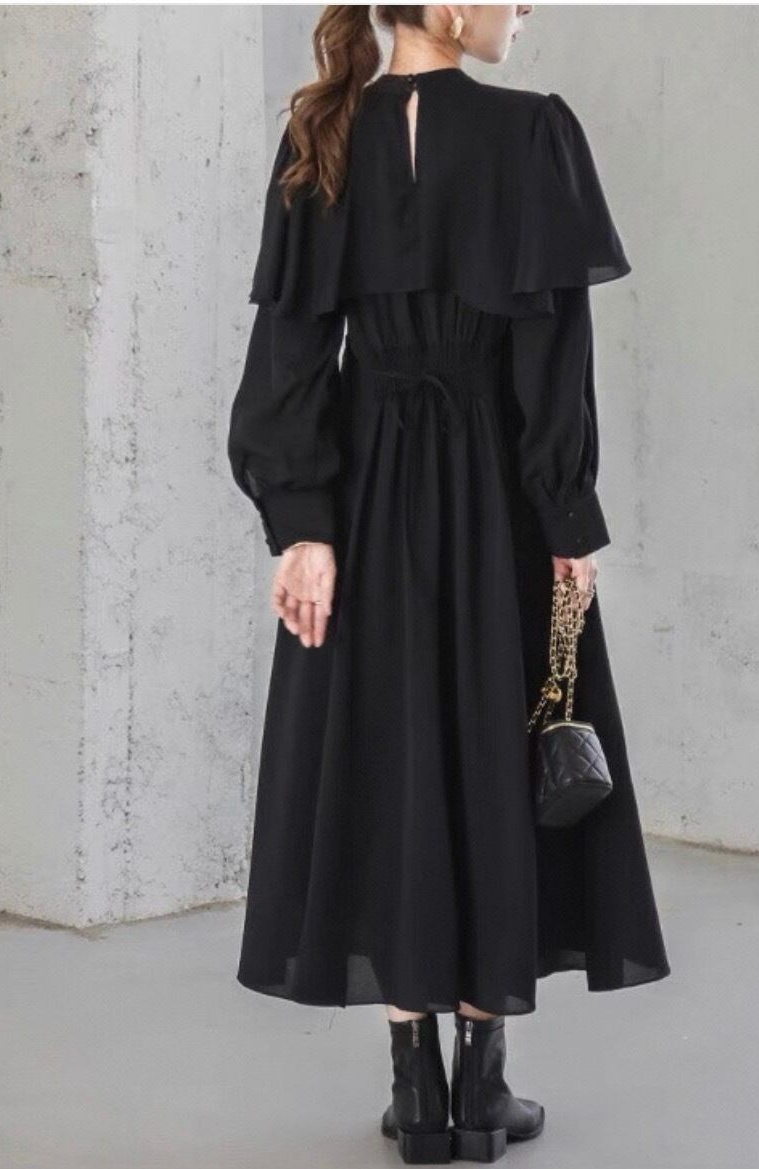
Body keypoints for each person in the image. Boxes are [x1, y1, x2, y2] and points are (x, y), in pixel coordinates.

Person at [226, 5, 671, 1163]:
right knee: (490, 756)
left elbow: (289, 352)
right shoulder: (533, 135)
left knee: (386, 759)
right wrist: (565, 518)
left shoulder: (323, 133)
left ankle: (415, 1090)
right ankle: (484, 1084)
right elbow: (552, 355)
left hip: (365, 499)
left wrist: (303, 526)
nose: (526, 10)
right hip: (498, 498)